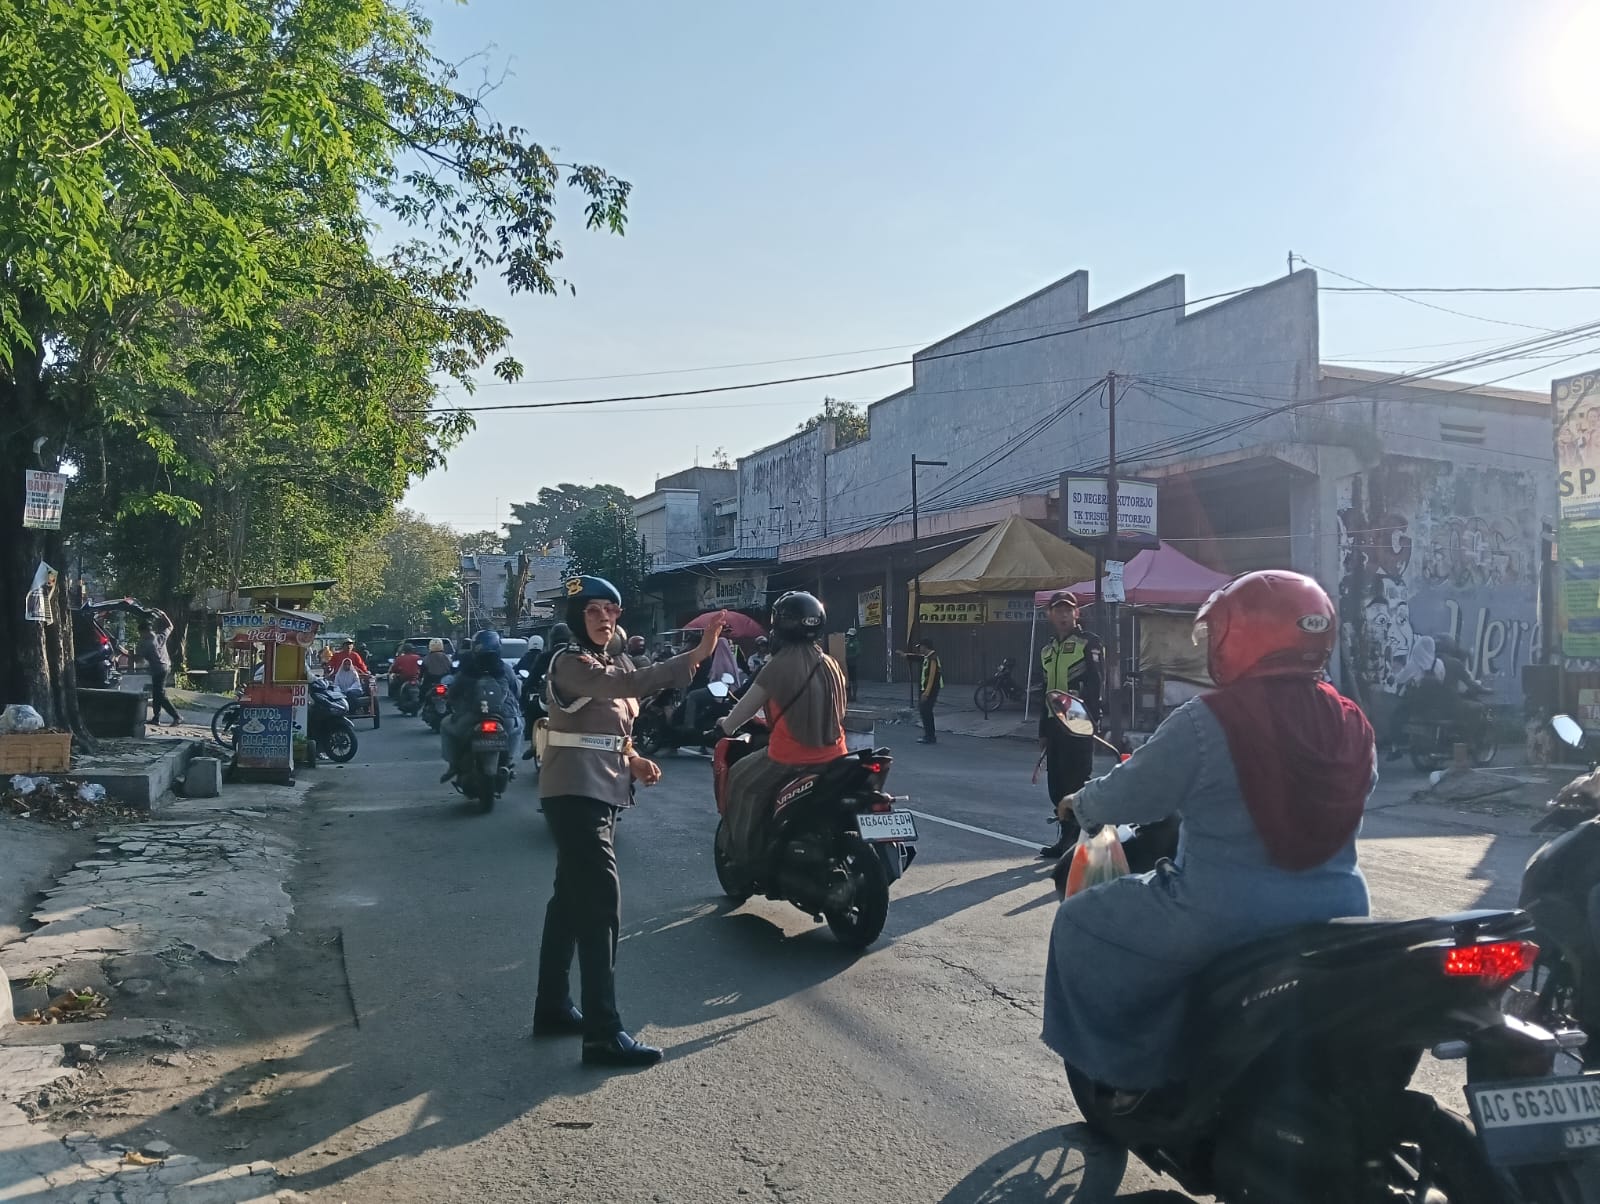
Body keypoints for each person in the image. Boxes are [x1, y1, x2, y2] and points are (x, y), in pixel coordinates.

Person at [1043, 571, 1373, 1109]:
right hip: (1341, 909)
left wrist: (1080, 804)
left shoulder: (1208, 720)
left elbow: (1133, 791)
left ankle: (1126, 1074)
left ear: (1239, 638)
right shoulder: (1352, 720)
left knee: (1078, 921)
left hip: (1221, 914)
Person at [534, 576, 728, 1068]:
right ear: (576, 617)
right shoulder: (570, 662)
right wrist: (695, 655)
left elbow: (611, 726)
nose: (605, 618)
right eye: (593, 610)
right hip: (573, 793)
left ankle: (552, 1006)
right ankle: (602, 1034)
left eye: (611, 610)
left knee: (568, 903)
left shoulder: (611, 661)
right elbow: (624, 687)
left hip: (601, 790)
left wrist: (634, 758)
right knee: (601, 907)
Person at [714, 591, 849, 876]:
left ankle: (747, 858)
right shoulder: (831, 663)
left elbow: (745, 709)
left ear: (779, 625)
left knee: (739, 780)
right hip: (836, 757)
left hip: (789, 759)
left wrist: (725, 725)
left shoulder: (776, 666)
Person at [1037, 593, 1105, 859]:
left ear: (1077, 613)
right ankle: (1065, 837)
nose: (1063, 615)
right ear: (1050, 615)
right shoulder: (1047, 650)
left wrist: (1093, 721)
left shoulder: (1088, 643)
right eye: (1058, 610)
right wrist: (1043, 730)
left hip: (1078, 722)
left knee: (1076, 782)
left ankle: (1079, 840)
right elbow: (1045, 692)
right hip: (1054, 726)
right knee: (1056, 785)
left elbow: (1097, 684)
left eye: (1068, 610)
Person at [440, 630, 522, 781]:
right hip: (505, 716)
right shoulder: (505, 668)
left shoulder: (467, 669)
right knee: (518, 726)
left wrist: (452, 702)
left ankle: (453, 765)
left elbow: (453, 693)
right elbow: (516, 691)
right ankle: (508, 762)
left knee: (445, 725)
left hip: (472, 716)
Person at [136, 608, 182, 726]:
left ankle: (176, 716)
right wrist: (164, 615)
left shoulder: (147, 644)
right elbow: (170, 626)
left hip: (158, 670)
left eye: (141, 633)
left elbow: (139, 660)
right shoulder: (160, 636)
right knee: (157, 694)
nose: (140, 635)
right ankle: (156, 718)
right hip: (166, 666)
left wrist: (127, 653)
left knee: (160, 695)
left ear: (144, 632)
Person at [911, 637, 942, 744]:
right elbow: (917, 657)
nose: (919, 649)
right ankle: (928, 735)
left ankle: (930, 736)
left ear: (925, 647)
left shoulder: (932, 658)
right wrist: (905, 655)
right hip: (926, 689)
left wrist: (926, 693)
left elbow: (932, 677)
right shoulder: (927, 657)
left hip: (931, 690)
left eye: (920, 647)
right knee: (924, 712)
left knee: (926, 712)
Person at [844, 627, 861, 701]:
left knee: (853, 680)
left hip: (853, 664)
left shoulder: (856, 643)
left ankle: (854, 696)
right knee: (848, 680)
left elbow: (858, 653)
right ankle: (849, 695)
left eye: (851, 635)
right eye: (849, 635)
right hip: (846, 663)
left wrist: (849, 657)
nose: (849, 636)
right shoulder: (847, 642)